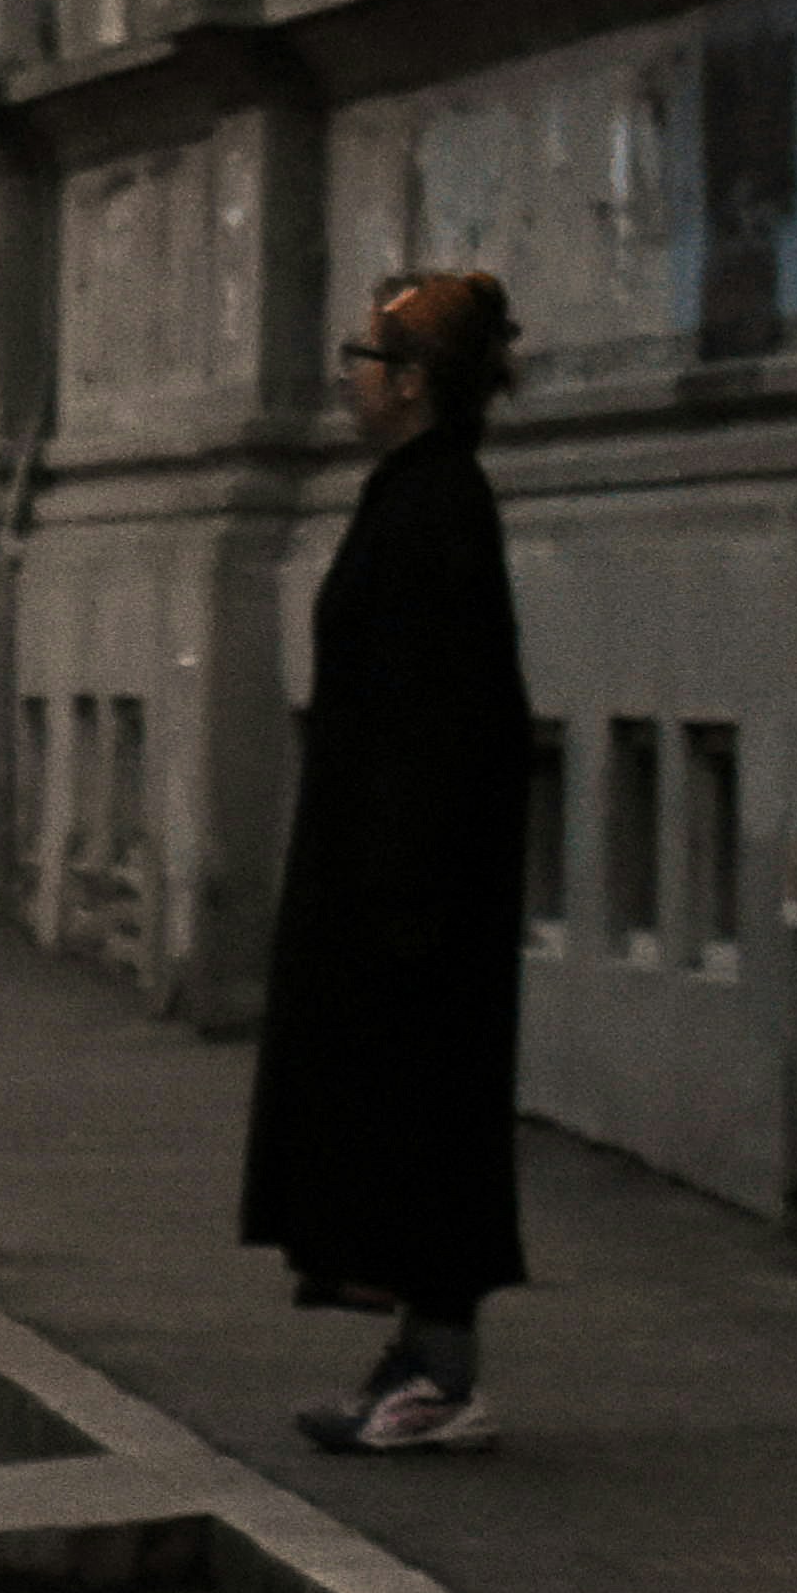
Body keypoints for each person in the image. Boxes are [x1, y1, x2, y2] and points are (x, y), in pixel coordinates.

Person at [242, 267, 533, 1455]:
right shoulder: (413, 494)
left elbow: (440, 716)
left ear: (412, 384)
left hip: (412, 892)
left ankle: (441, 1374)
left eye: (366, 360)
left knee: (421, 1125)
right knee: (391, 1124)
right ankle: (417, 1357)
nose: (351, 379)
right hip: (387, 876)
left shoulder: (438, 509)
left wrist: (400, 896)